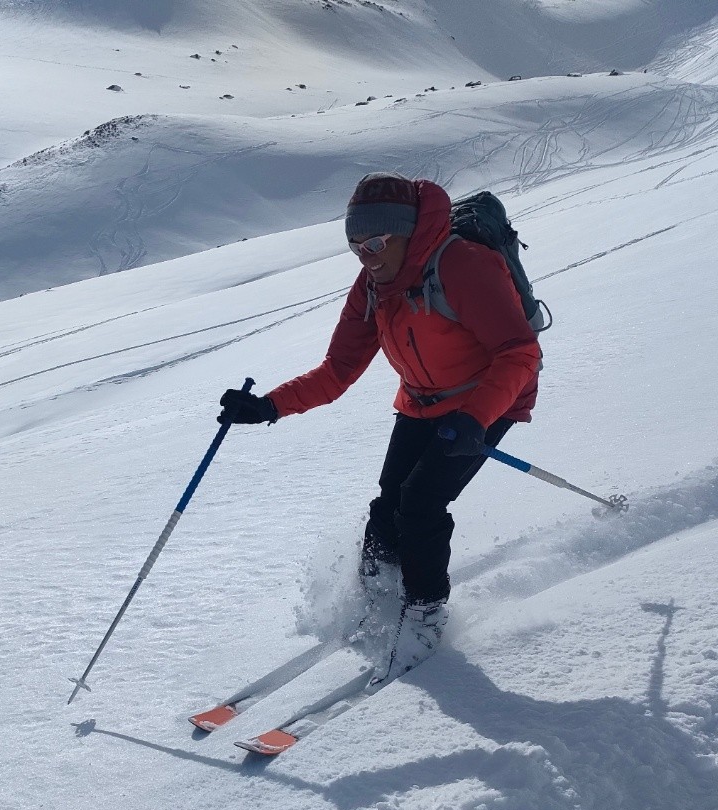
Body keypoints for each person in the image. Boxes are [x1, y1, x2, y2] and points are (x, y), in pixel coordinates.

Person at [218, 171, 541, 679]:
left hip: (487, 402)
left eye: (375, 242)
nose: (365, 256)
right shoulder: (374, 285)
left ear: (408, 232)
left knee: (421, 504)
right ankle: (378, 600)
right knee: (387, 508)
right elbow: (338, 369)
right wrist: (267, 407)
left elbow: (520, 351)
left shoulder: (462, 264)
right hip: (420, 403)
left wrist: (477, 417)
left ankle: (425, 613)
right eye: (355, 246)